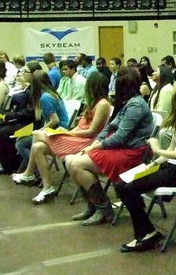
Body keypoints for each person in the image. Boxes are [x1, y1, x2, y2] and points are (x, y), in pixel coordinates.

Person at [114, 79, 176, 252]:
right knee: (121, 185)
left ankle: (145, 234)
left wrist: (157, 149)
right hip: (173, 166)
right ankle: (148, 231)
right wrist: (153, 164)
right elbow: (172, 149)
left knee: (129, 189)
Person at [66, 67, 155, 226]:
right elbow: (109, 127)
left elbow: (121, 136)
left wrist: (96, 147)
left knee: (78, 164)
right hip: (119, 148)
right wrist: (95, 143)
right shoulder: (127, 102)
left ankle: (103, 209)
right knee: (69, 160)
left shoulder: (136, 105)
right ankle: (93, 205)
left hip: (132, 152)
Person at [16, 72, 110, 203]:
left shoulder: (103, 104)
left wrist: (68, 134)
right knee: (37, 147)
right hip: (78, 138)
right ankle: (47, 187)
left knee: (37, 134)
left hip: (87, 142)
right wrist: (67, 131)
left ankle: (29, 173)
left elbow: (91, 131)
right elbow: (80, 126)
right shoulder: (92, 103)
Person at [9, 70, 69, 170]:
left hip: (57, 133)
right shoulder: (52, 94)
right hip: (59, 129)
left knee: (21, 143)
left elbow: (55, 120)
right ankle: (32, 170)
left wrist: (39, 131)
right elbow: (42, 118)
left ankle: (36, 170)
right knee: (25, 140)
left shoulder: (45, 98)